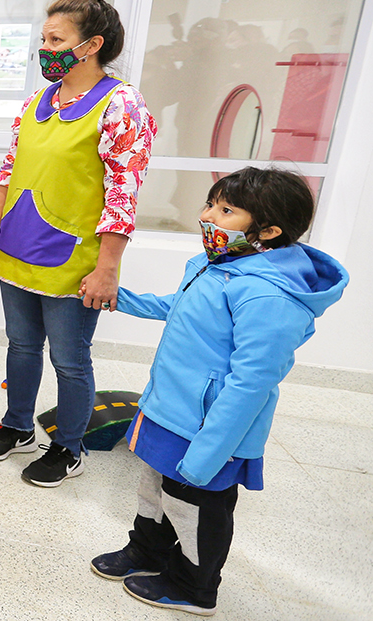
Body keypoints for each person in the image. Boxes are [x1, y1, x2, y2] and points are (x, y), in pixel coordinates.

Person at [90, 168, 346, 616]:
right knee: (154, 489)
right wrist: (121, 297)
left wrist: (210, 453)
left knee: (195, 508)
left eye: (226, 210)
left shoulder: (271, 297)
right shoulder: (218, 265)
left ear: (268, 230)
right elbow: (181, 309)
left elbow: (251, 385)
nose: (208, 215)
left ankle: (194, 586)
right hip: (168, 408)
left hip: (208, 429)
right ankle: (147, 551)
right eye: (211, 203)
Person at [0, 0, 157, 487]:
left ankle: (68, 446)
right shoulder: (37, 101)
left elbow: (123, 194)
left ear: (91, 45)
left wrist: (107, 270)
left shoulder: (122, 106)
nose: (44, 49)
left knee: (70, 360)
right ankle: (16, 425)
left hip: (75, 260)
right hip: (17, 249)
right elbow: (7, 174)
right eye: (44, 39)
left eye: (56, 41)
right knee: (20, 346)